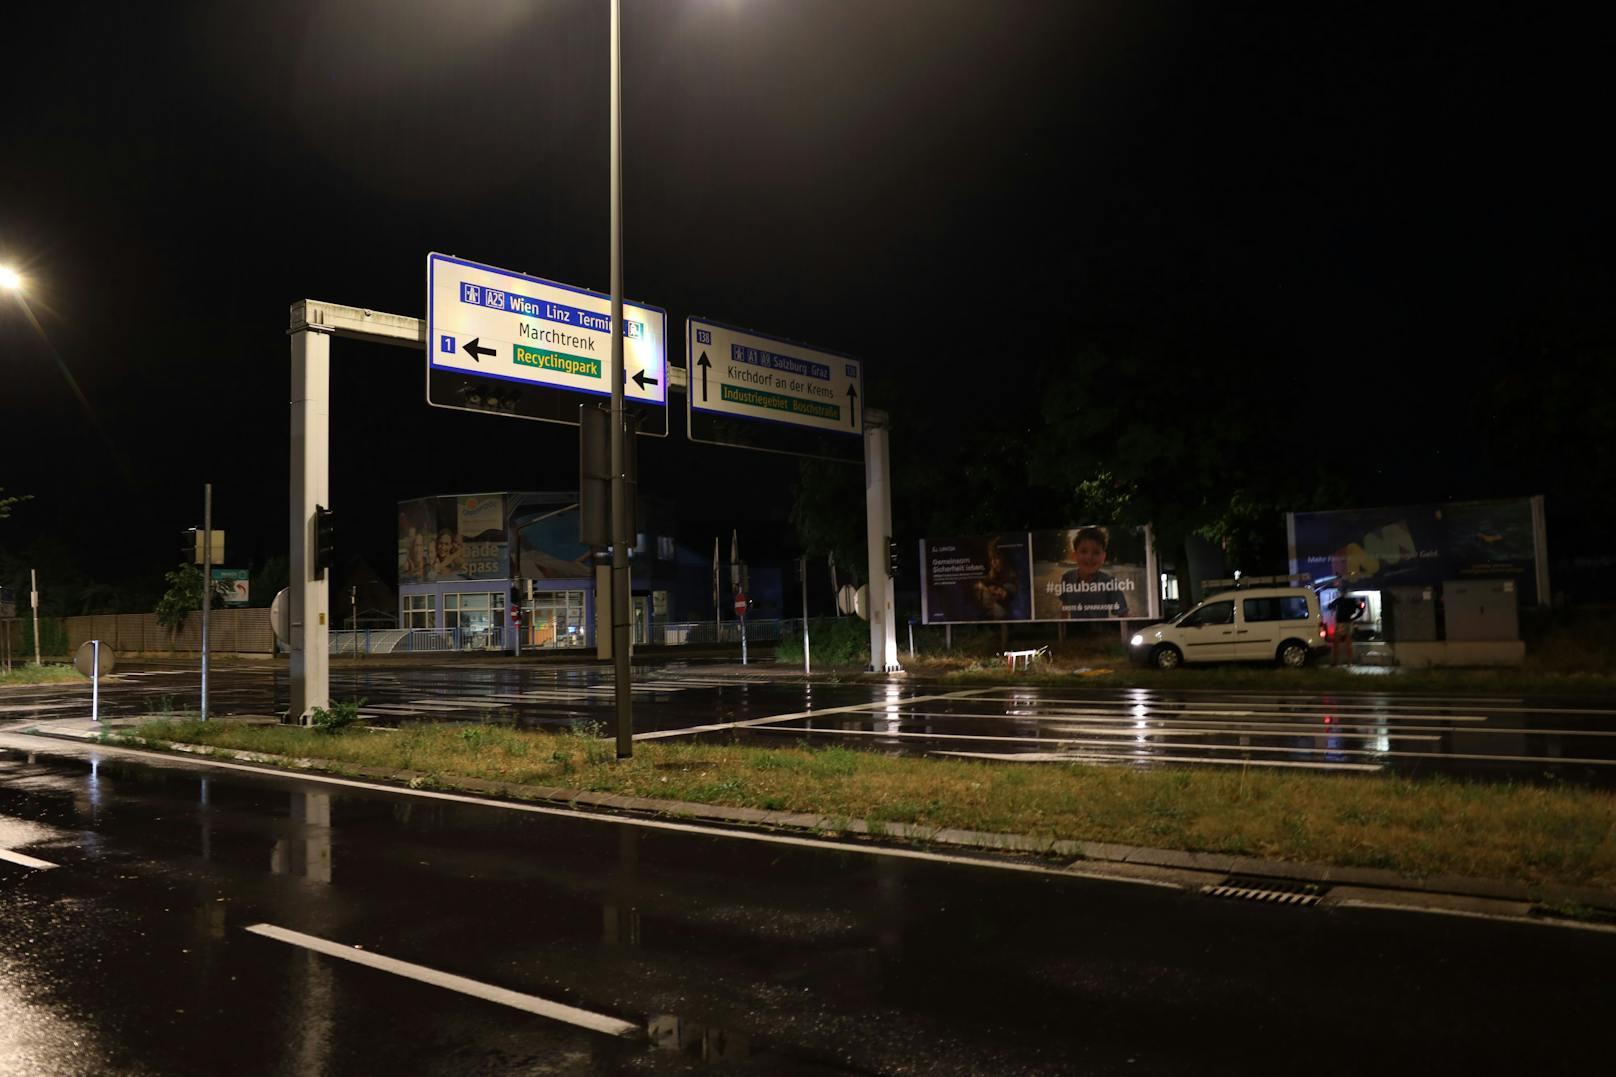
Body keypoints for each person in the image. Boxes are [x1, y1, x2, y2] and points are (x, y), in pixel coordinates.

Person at [1058, 527, 1130, 619]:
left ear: (1103, 557)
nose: (1089, 557)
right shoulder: (1067, 577)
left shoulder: (1109, 582)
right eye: (1084, 551)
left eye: (1096, 552)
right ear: (1075, 555)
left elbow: (1124, 614)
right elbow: (1065, 607)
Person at [971, 536, 1024, 620]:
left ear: (1005, 557)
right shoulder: (990, 577)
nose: (993, 562)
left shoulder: (1015, 577)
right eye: (991, 559)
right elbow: (977, 585)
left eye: (997, 558)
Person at [1329, 583, 1362, 666]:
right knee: (1348, 643)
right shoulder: (1352, 600)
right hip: (1349, 622)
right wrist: (1354, 618)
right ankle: (1349, 662)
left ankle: (1335, 662)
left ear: (1341, 592)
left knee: (1336, 643)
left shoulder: (1339, 600)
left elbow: (1330, 606)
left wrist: (1333, 609)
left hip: (1340, 623)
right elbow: (1361, 610)